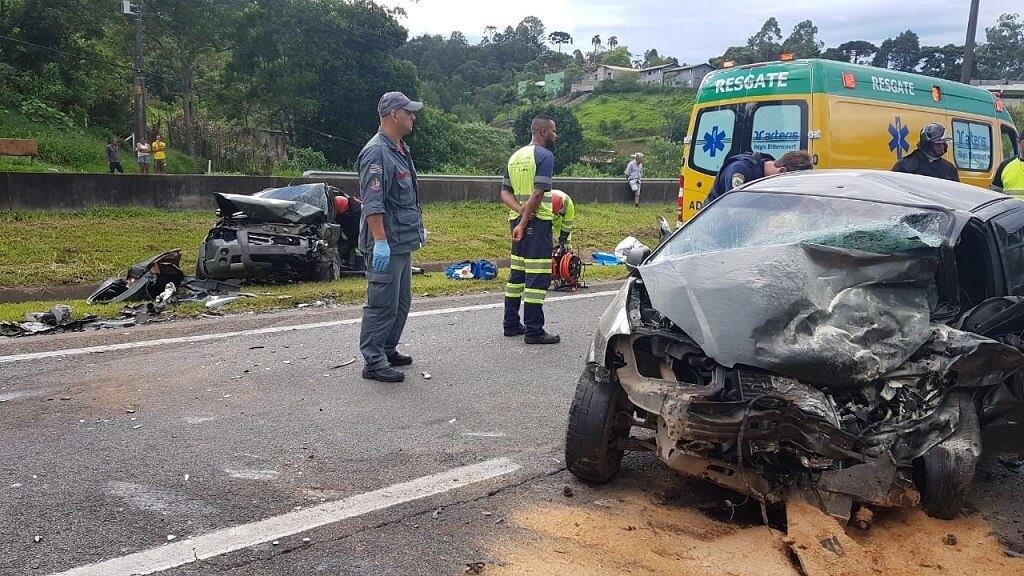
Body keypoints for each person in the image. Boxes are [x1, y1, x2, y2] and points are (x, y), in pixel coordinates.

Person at [357, 91, 425, 383]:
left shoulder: (399, 148)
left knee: (401, 302)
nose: (413, 116)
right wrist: (380, 241)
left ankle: (387, 348)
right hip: (386, 241)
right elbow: (373, 203)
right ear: (394, 114)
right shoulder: (377, 152)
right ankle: (373, 361)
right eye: (408, 111)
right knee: (382, 303)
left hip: (403, 240)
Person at [500, 115, 560, 344]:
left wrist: (519, 212)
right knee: (537, 277)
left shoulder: (515, 156)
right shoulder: (545, 156)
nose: (555, 135)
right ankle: (534, 330)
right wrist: (526, 219)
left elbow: (504, 193)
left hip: (515, 222)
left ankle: (511, 324)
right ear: (543, 131)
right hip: (537, 224)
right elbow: (538, 193)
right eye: (553, 131)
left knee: (517, 274)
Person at [705, 150, 813, 204]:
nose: (786, 187)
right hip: (711, 230)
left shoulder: (766, 174)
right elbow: (736, 208)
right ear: (782, 171)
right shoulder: (740, 170)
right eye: (789, 183)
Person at [892, 123, 959, 181]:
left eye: (943, 143)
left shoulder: (949, 169)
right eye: (937, 143)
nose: (941, 146)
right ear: (927, 144)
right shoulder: (905, 165)